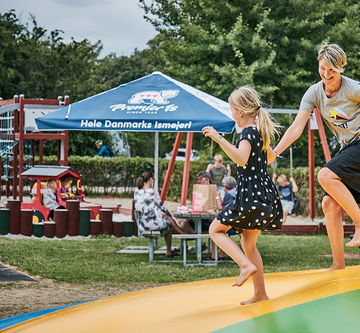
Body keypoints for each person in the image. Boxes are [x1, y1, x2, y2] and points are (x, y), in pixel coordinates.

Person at [270, 43, 360, 271]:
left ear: (341, 68)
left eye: (332, 69)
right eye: (323, 68)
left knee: (325, 175)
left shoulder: (353, 89)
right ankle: (339, 264)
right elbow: (296, 127)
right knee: (329, 203)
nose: (327, 74)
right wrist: (275, 151)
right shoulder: (314, 93)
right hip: (349, 148)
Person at [202, 85, 283, 305]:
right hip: (264, 191)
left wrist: (219, 139)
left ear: (239, 111)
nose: (231, 114)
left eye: (231, 110)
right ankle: (260, 293)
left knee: (215, 229)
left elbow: (240, 159)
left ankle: (245, 265)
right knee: (248, 242)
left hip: (251, 193)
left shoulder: (248, 132)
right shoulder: (260, 131)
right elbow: (270, 158)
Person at [134, 170, 187, 257]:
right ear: (150, 179)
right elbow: (162, 207)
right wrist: (169, 214)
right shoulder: (153, 192)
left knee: (166, 217)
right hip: (153, 225)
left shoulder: (136, 192)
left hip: (142, 225)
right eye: (153, 179)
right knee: (168, 221)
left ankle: (182, 234)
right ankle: (173, 246)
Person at [206, 176, 238, 261]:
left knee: (216, 231)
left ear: (224, 186)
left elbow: (221, 208)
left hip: (232, 226)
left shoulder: (229, 194)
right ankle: (221, 255)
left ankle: (213, 256)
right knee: (221, 230)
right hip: (239, 223)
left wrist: (217, 196)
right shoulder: (236, 192)